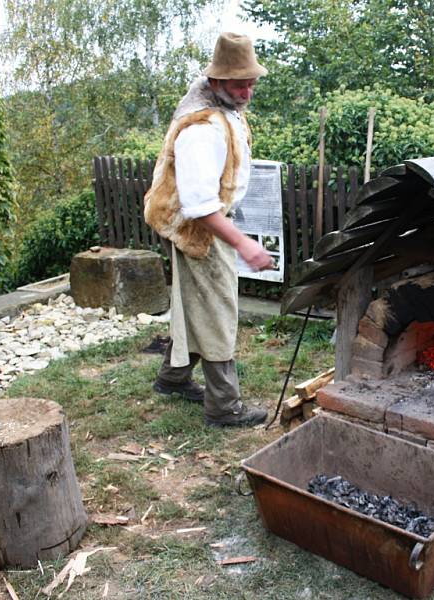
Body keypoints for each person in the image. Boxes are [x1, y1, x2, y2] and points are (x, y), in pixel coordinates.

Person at [144, 32, 272, 427]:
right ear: (215, 81)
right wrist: (244, 244)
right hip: (198, 229)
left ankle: (172, 378)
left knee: (192, 307)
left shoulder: (222, 103)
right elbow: (199, 207)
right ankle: (223, 406)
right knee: (218, 311)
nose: (247, 90)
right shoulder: (201, 129)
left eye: (251, 81)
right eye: (239, 82)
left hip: (204, 222)